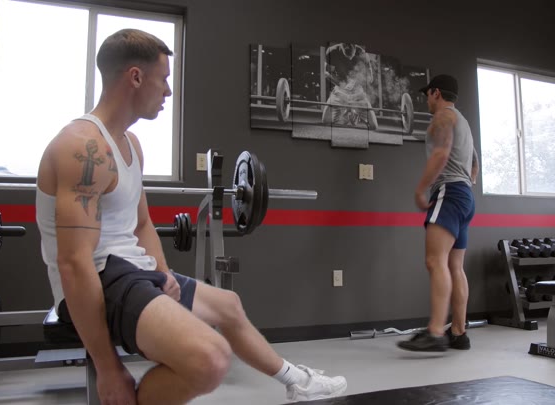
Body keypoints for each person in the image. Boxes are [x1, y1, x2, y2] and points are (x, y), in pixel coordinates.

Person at [35, 28, 347, 404]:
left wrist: (163, 273)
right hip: (101, 279)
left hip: (132, 272)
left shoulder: (130, 144)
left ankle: (296, 381)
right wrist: (107, 366)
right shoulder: (83, 149)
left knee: (229, 305)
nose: (168, 91)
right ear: (136, 77)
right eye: (164, 79)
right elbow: (74, 263)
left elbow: (142, 224)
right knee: (211, 358)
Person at [397, 74, 479, 352]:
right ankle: (459, 332)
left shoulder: (443, 117)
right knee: (455, 267)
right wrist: (466, 183)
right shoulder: (463, 121)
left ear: (436, 93)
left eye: (427, 95)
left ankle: (435, 332)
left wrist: (421, 190)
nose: (426, 101)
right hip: (465, 196)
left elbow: (441, 154)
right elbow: (475, 163)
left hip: (449, 192)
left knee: (435, 261)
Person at [321, 42, 379, 130]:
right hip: (340, 90)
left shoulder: (363, 54)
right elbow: (326, 73)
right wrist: (341, 84)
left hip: (357, 91)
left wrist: (356, 82)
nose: (350, 58)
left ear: (354, 46)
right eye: (346, 56)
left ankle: (353, 112)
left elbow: (370, 78)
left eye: (351, 55)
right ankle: (348, 112)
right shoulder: (332, 51)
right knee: (325, 121)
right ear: (343, 46)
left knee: (374, 126)